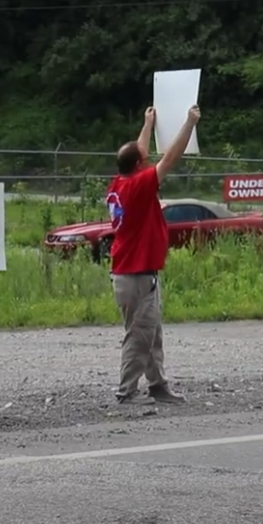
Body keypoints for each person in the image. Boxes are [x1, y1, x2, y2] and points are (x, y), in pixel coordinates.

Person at [105, 105, 200, 405]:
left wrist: (147, 124)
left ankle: (157, 384)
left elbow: (138, 152)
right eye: (144, 159)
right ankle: (126, 391)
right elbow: (169, 159)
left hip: (135, 273)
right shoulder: (138, 185)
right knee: (139, 335)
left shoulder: (121, 182)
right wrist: (189, 124)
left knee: (151, 331)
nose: (148, 159)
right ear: (139, 166)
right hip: (136, 275)